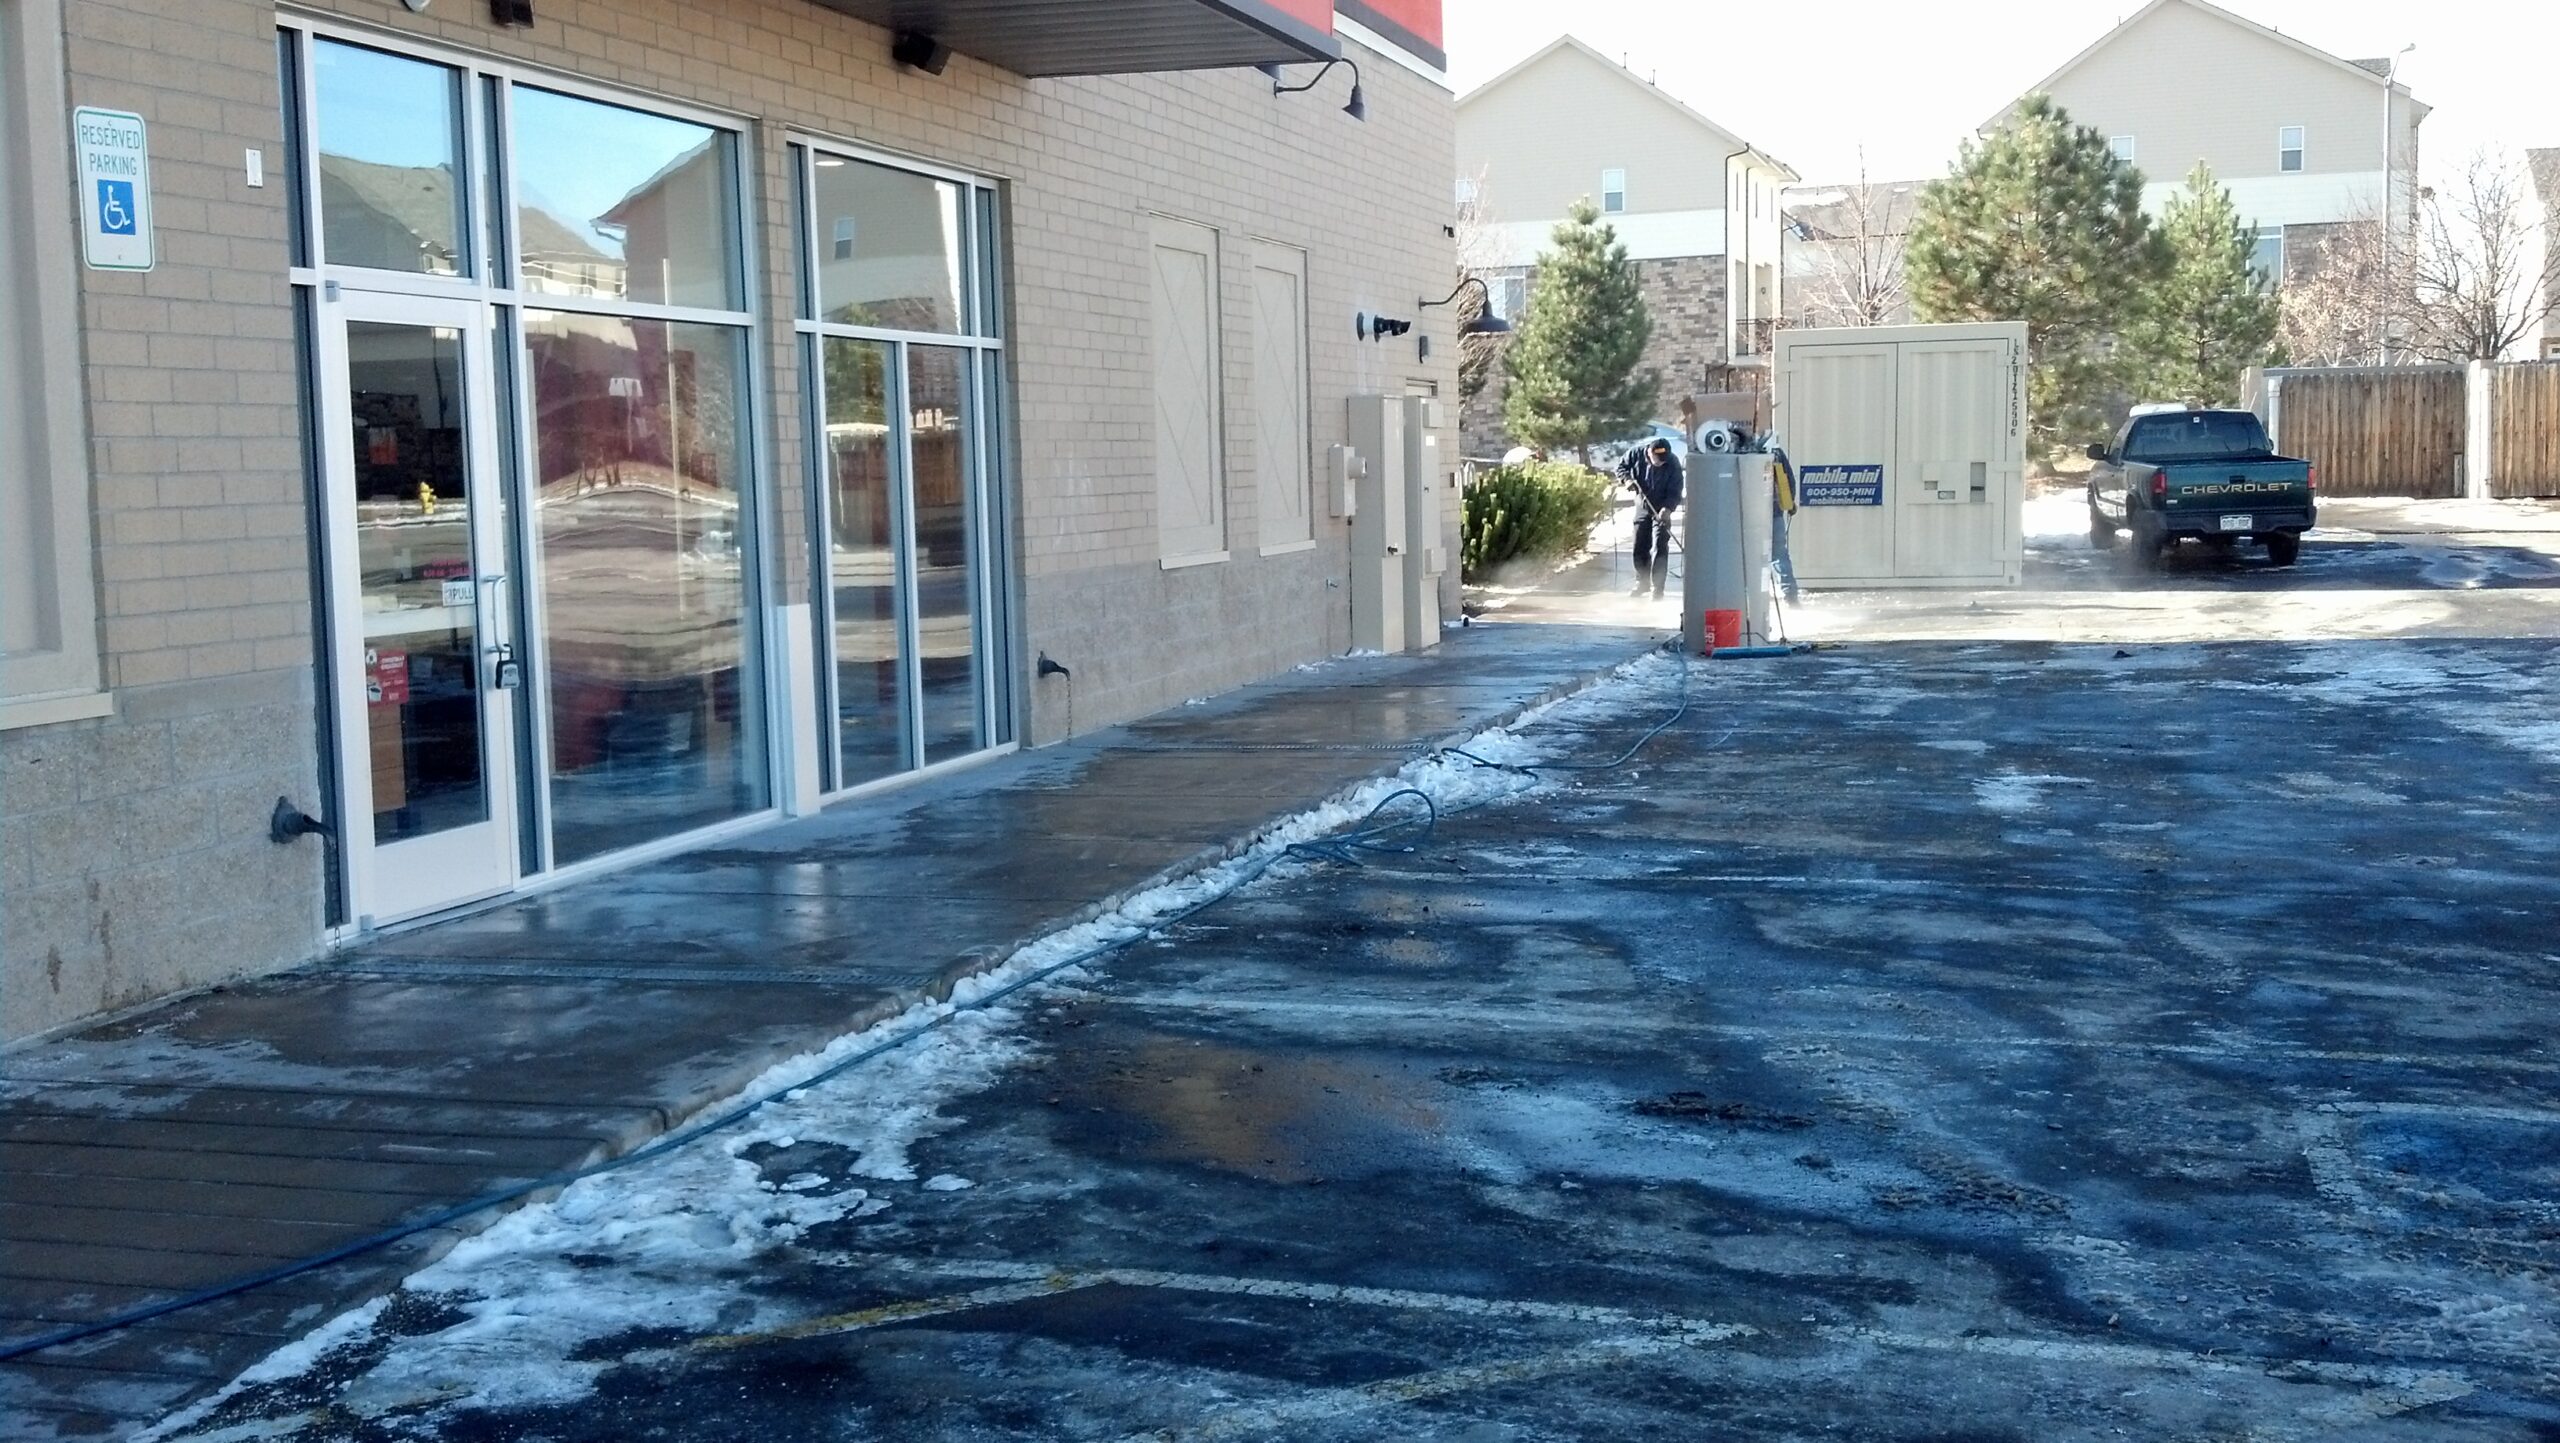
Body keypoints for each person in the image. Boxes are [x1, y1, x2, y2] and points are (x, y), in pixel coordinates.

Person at [1615, 438, 1683, 599]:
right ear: (1649, 453)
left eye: (1663, 461)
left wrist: (1667, 509)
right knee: (1640, 544)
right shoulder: (1635, 454)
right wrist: (1627, 479)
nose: (1660, 463)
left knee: (1660, 546)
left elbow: (1676, 489)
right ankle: (1642, 582)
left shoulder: (1672, 462)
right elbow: (1620, 467)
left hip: (1662, 508)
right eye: (1657, 460)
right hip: (1643, 505)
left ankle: (1658, 588)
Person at [1767, 439, 1803, 605]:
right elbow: (1789, 481)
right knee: (1779, 556)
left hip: (1745, 518)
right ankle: (1790, 598)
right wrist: (1789, 504)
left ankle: (1747, 599)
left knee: (1745, 559)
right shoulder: (1775, 452)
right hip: (1774, 512)